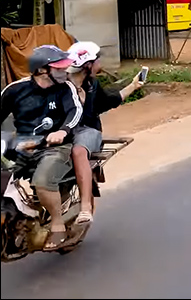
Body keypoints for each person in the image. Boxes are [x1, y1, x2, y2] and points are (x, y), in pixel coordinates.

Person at [0, 45, 83, 251]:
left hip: (55, 146)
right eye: (59, 68)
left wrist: (63, 131)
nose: (65, 72)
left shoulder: (66, 88)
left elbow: (75, 112)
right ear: (41, 70)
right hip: (21, 145)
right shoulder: (15, 90)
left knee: (43, 180)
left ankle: (57, 224)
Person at [65, 41, 144, 224]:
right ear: (88, 65)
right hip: (63, 131)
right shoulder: (60, 85)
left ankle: (85, 207)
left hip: (88, 131)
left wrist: (133, 86)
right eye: (97, 60)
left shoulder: (92, 84)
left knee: (78, 151)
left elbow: (109, 101)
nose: (100, 64)